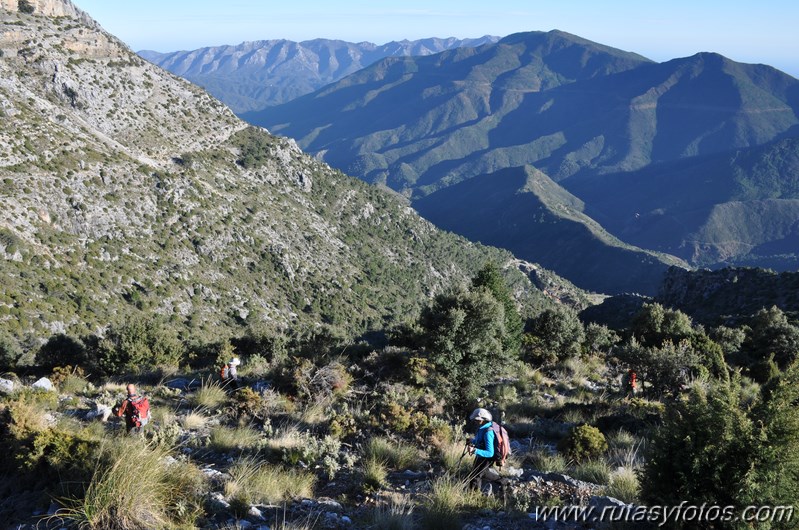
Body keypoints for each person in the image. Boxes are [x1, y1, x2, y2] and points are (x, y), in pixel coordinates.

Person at [466, 407, 503, 494]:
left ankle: (473, 498)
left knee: (475, 477)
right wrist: (472, 441)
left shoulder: (488, 432)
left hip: (486, 458)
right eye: (475, 420)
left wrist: (474, 450)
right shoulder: (482, 428)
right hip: (481, 456)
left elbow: (490, 453)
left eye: (477, 420)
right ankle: (504, 481)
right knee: (479, 475)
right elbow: (480, 441)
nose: (475, 422)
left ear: (484, 420)